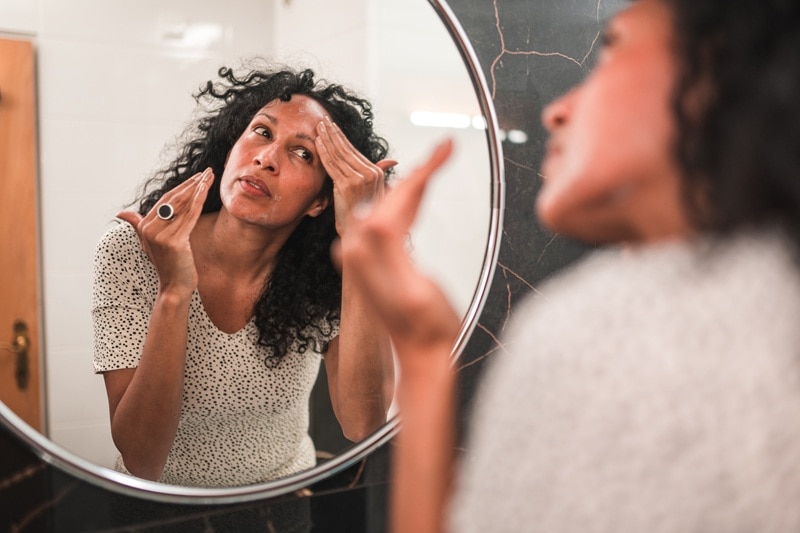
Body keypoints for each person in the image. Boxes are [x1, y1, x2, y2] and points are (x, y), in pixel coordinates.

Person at [340, 0, 800, 531]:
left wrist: (423, 358)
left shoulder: (602, 331)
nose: (555, 111)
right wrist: (423, 353)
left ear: (715, 77)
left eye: (611, 54)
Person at [91, 63, 396, 487]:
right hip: (158, 515)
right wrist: (174, 292)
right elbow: (142, 459)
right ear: (232, 143)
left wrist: (359, 239)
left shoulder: (329, 274)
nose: (267, 159)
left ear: (321, 202)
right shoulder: (133, 249)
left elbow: (364, 424)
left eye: (302, 153)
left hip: (280, 511)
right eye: (263, 132)